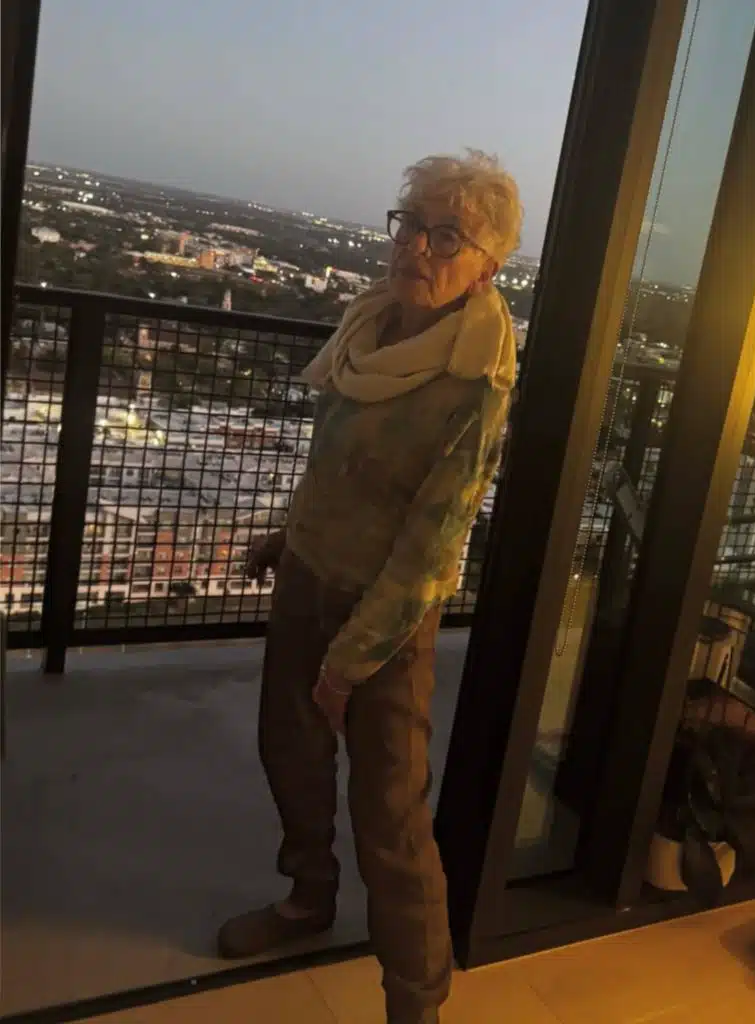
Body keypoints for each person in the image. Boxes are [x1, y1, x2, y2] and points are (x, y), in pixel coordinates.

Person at [217, 150, 522, 1024]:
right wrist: (289, 537)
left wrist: (350, 662)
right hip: (307, 580)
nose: (417, 247)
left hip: (385, 619)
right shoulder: (369, 328)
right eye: (411, 224)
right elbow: (335, 466)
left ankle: (415, 1004)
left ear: (487, 266)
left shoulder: (473, 382)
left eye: (446, 236)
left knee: (391, 817)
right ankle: (307, 899)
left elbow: (430, 547)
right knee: (291, 753)